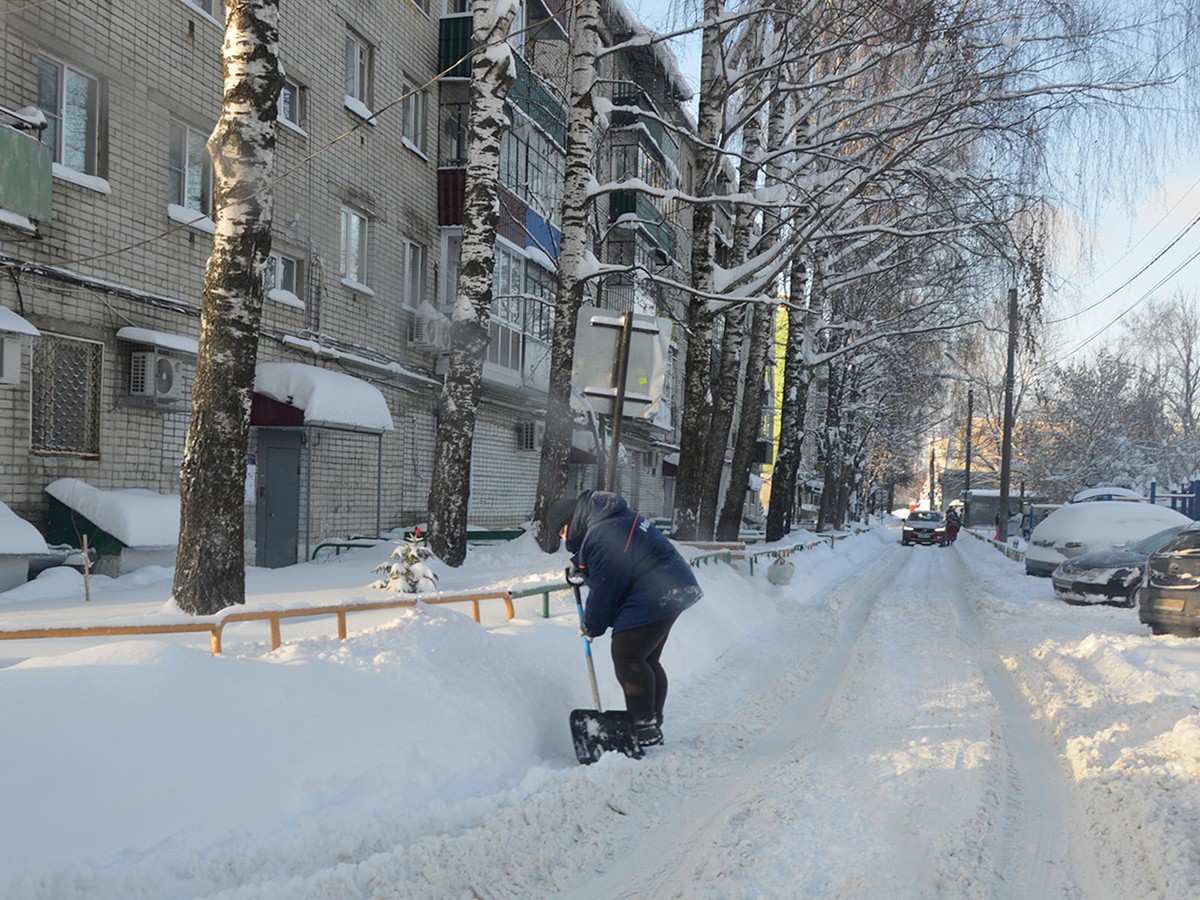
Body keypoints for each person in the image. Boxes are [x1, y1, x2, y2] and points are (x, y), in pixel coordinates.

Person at [546, 490, 703, 749]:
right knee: (646, 659)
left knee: (628, 656)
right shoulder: (609, 519)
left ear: (570, 523)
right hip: (673, 585)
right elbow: (614, 562)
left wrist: (591, 626)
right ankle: (650, 724)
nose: (565, 540)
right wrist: (581, 563)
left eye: (562, 533)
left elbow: (607, 587)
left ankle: (643, 725)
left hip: (657, 591)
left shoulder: (601, 533)